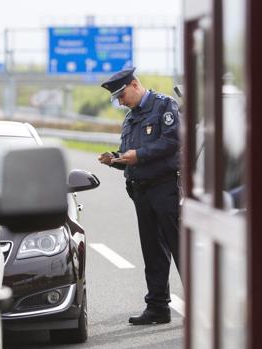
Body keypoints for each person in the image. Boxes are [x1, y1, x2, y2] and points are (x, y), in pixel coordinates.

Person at [98, 67, 181, 325]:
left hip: (165, 188)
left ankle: (204, 306)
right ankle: (157, 307)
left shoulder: (165, 106)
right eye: (117, 98)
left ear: (134, 85)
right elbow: (129, 154)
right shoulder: (131, 118)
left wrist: (139, 155)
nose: (120, 101)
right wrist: (115, 159)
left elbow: (173, 141)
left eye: (122, 95)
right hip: (141, 191)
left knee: (180, 247)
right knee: (152, 253)